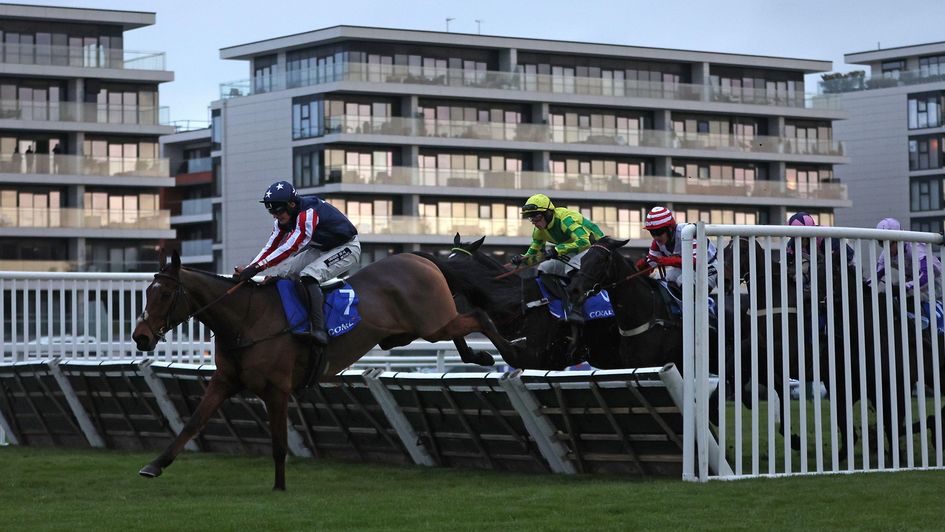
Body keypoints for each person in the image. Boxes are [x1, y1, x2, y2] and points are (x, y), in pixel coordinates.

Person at [234, 180, 361, 345]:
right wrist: (252, 268)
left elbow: (291, 247)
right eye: (271, 211)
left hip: (347, 247)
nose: (275, 215)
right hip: (322, 248)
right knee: (280, 273)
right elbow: (271, 246)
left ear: (292, 204)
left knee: (309, 276)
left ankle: (319, 329)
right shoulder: (283, 219)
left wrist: (257, 268)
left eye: (278, 211)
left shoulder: (308, 213)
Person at [511, 193, 604, 322]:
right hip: (574, 250)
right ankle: (563, 302)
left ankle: (578, 307)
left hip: (596, 247)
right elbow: (533, 257)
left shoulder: (565, 219)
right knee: (544, 268)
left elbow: (584, 241)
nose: (535, 222)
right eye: (531, 218)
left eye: (537, 217)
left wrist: (557, 250)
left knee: (570, 266)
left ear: (549, 213)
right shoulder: (539, 232)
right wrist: (522, 259)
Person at [874, 218, 944, 326]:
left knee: (909, 297)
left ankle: (936, 329)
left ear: (899, 239)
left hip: (935, 280)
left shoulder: (914, 246)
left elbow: (926, 275)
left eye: (889, 244)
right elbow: (875, 277)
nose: (886, 249)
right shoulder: (885, 255)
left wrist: (904, 287)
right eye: (882, 244)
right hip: (914, 281)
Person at [635, 206, 718, 293]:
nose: (656, 237)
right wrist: (638, 268)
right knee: (657, 278)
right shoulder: (657, 243)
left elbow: (695, 261)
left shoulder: (688, 232)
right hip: (685, 270)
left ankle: (702, 305)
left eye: (659, 232)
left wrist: (666, 260)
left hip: (708, 267)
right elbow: (650, 264)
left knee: (682, 280)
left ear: (670, 228)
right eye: (652, 233)